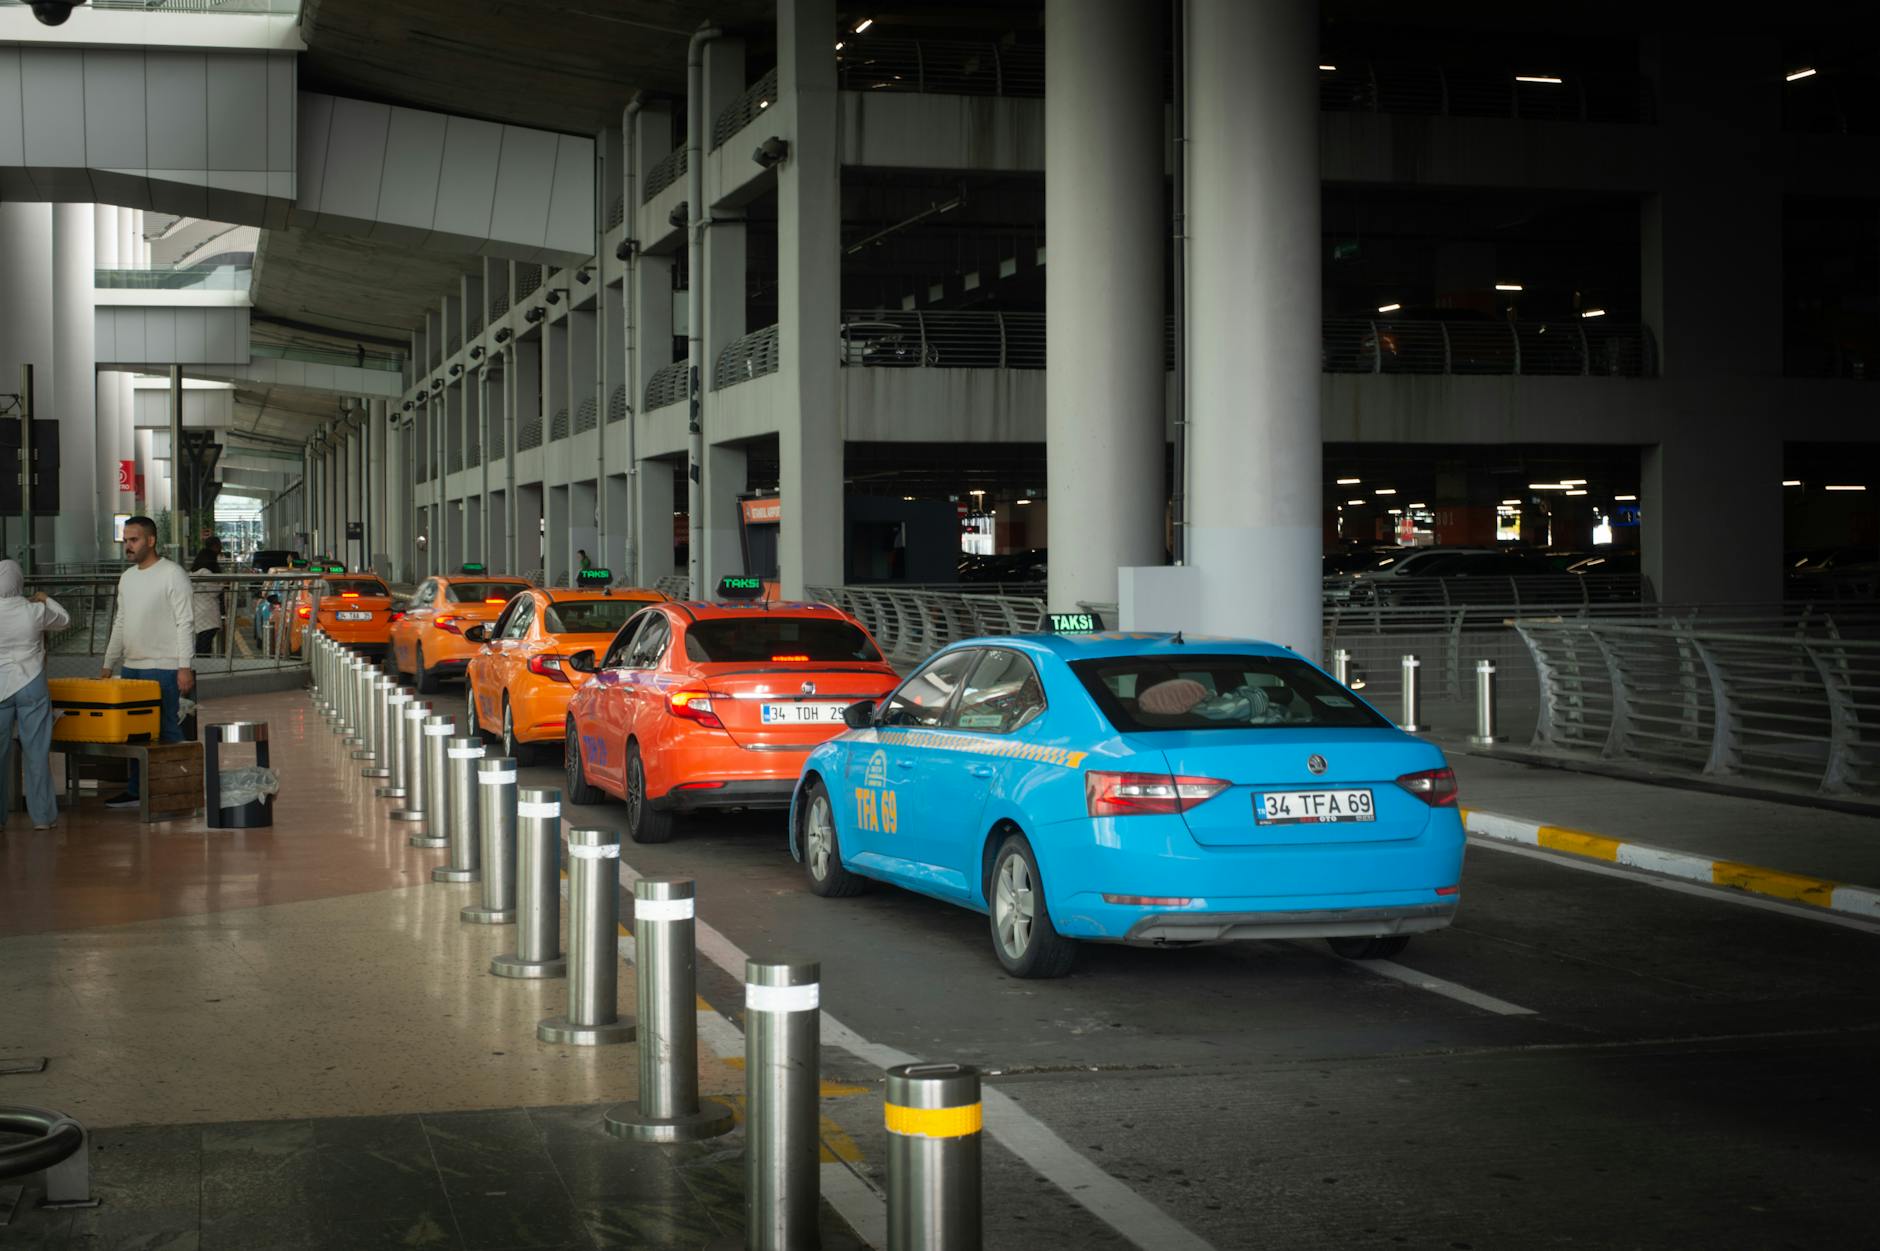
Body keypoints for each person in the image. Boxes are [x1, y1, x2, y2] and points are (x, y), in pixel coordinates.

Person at [101, 516, 195, 809]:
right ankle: (137, 790)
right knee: (135, 733)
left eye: (134, 540)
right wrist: (108, 664)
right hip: (131, 668)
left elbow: (185, 622)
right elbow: (121, 622)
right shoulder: (127, 578)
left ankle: (181, 791)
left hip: (165, 667)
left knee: (167, 731)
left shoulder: (173, 574)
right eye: (125, 540)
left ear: (151, 540)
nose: (128, 546)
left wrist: (184, 665)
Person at [0, 561, 69, 829]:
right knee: (36, 751)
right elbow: (64, 620)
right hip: (32, 684)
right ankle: (42, 817)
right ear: (19, 582)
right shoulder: (34, 611)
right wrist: (45, 598)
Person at [190, 539, 224, 657]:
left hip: (197, 612)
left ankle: (201, 666)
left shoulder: (193, 573)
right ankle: (203, 667)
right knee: (204, 646)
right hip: (207, 614)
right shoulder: (205, 572)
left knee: (201, 644)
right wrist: (223, 583)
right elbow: (214, 591)